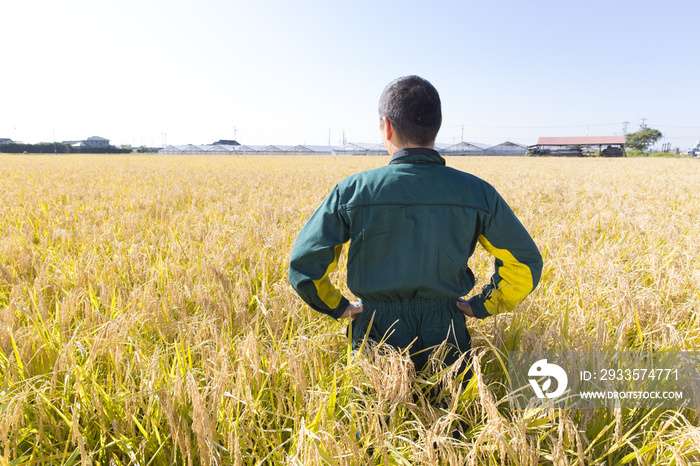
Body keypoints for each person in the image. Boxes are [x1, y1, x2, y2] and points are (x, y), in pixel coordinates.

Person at [288, 75, 542, 381]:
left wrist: (338, 306)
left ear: (387, 126)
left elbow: (305, 265)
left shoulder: (352, 191)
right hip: (447, 330)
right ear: (437, 125)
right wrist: (481, 306)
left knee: (376, 423)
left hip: (375, 331)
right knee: (451, 420)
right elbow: (524, 263)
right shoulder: (478, 193)